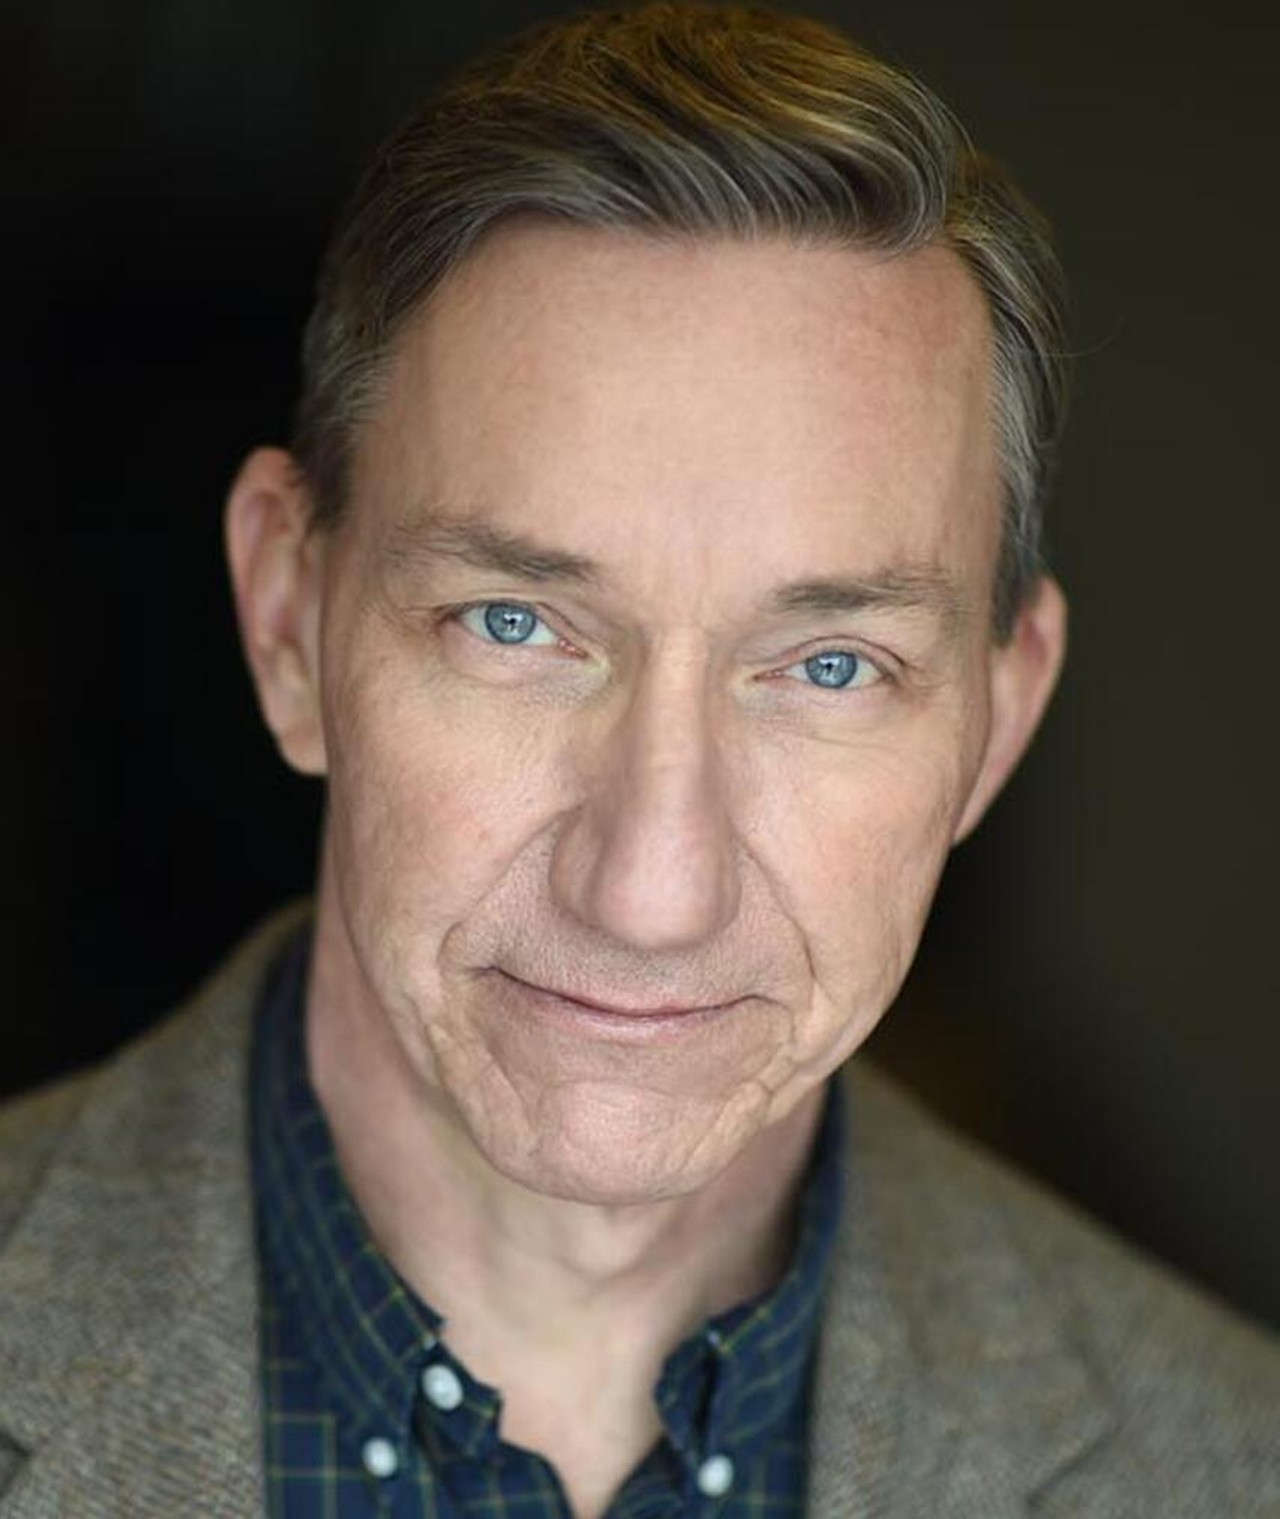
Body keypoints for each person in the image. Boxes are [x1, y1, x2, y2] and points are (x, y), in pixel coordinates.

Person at [1, 4, 1276, 1515]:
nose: (650, 892)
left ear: (996, 726)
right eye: (516, 624)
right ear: (287, 617)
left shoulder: (1228, 1464)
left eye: (829, 665)